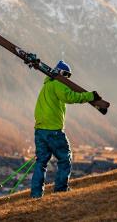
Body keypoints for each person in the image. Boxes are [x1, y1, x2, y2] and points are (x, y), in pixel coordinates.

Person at [30, 60, 101, 198]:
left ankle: (36, 195)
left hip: (40, 130)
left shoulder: (46, 85)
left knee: (41, 163)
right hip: (53, 131)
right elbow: (70, 97)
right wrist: (90, 96)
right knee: (65, 158)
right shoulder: (58, 83)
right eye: (67, 75)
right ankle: (61, 189)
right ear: (61, 73)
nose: (67, 78)